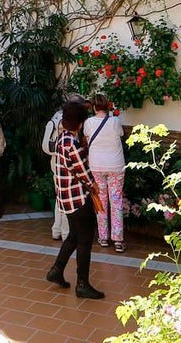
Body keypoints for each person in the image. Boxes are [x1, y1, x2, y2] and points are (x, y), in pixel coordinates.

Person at [46, 100, 104, 300]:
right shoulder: (72, 143)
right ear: (79, 122)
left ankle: (57, 270)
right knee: (85, 240)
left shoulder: (62, 138)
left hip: (65, 197)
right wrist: (94, 186)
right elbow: (83, 172)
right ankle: (82, 284)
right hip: (78, 198)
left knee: (73, 235)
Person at [83, 92, 126, 251]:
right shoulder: (115, 121)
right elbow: (121, 134)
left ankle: (103, 237)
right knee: (116, 201)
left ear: (94, 107)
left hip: (96, 166)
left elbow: (87, 137)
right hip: (116, 166)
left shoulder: (88, 122)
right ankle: (118, 240)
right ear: (107, 106)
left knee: (100, 201)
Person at [41, 103, 70, 241]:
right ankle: (65, 232)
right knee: (66, 198)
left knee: (59, 196)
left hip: (55, 161)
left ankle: (56, 229)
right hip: (66, 162)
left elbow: (45, 146)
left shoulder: (53, 120)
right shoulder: (68, 120)